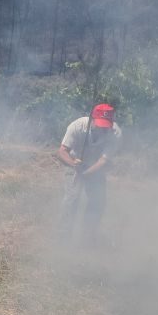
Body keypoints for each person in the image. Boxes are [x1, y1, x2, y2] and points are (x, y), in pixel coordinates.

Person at [56, 103, 122, 242]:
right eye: (99, 125)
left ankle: (88, 237)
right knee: (72, 197)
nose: (102, 129)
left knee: (98, 200)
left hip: (95, 167)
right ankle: (63, 237)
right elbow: (62, 151)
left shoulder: (116, 133)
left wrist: (87, 173)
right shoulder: (77, 126)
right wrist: (74, 164)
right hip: (73, 162)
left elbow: (104, 160)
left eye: (106, 126)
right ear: (92, 119)